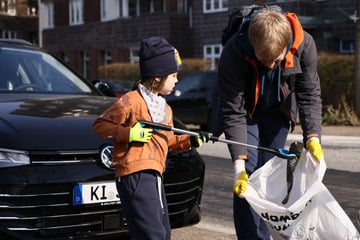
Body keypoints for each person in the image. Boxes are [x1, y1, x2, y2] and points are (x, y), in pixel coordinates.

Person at [216, 9, 324, 240]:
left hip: (279, 111)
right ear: (252, 47)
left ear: (285, 46)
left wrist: (313, 137)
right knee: (250, 171)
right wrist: (238, 167)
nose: (270, 66)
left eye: (275, 60)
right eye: (263, 60)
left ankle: (264, 235)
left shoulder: (305, 45)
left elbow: (309, 94)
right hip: (246, 113)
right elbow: (233, 109)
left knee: (270, 175)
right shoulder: (233, 52)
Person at [92, 36, 208, 240]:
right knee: (154, 234)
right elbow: (100, 125)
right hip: (136, 174)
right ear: (157, 77)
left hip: (154, 174)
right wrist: (129, 134)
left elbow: (167, 142)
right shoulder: (132, 101)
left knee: (160, 233)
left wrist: (190, 141)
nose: (177, 80)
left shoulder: (166, 109)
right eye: (173, 75)